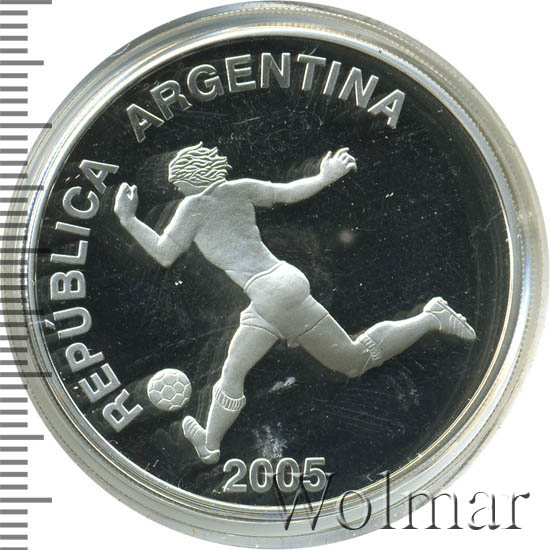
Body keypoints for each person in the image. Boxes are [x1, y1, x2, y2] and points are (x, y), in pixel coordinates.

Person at [114, 142, 476, 465]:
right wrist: (324, 177)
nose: (177, 188)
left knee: (352, 361)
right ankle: (210, 444)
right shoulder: (239, 188)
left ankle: (430, 317)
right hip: (272, 291)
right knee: (233, 369)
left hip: (272, 294)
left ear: (192, 178)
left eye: (178, 181)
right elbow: (287, 193)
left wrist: (128, 219)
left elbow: (163, 252)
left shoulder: (193, 206)